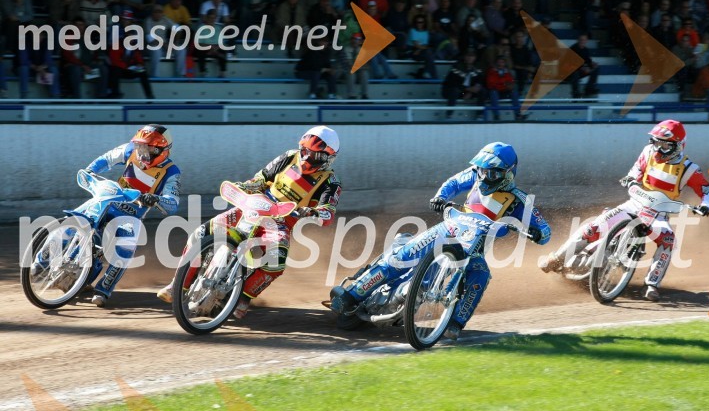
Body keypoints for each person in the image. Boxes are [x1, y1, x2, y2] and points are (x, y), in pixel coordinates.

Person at [330, 142, 551, 340]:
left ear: (508, 174)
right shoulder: (475, 175)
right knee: (402, 256)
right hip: (445, 231)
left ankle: (455, 323)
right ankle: (352, 294)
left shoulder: (520, 200)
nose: (484, 176)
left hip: (472, 250)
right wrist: (441, 197)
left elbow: (544, 230)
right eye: (482, 170)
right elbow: (454, 183)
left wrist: (538, 233)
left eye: (491, 173)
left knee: (481, 275)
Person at [157, 126, 342, 319]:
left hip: (281, 221)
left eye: (314, 155)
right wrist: (245, 186)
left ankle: (244, 298)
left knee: (276, 262)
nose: (306, 157)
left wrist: (311, 212)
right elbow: (261, 178)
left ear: (328, 157)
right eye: (304, 151)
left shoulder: (331, 182)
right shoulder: (289, 157)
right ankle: (178, 284)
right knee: (201, 233)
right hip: (254, 206)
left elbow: (328, 213)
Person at [539, 120, 709, 302]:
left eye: (664, 145)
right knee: (593, 227)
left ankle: (652, 284)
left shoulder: (689, 169)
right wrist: (630, 179)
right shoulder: (648, 153)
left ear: (678, 146)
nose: (657, 148)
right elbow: (636, 171)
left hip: (657, 215)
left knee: (668, 241)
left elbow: (708, 192)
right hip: (634, 204)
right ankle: (557, 258)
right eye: (655, 142)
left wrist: (705, 206)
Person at [85, 124, 181, 307]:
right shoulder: (130, 150)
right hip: (109, 201)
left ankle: (103, 290)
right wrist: (90, 171)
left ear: (162, 150)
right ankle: (47, 258)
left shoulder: (172, 172)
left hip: (132, 215)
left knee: (127, 246)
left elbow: (173, 203)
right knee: (81, 221)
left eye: (148, 148)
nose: (142, 152)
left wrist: (155, 199)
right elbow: (106, 159)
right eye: (140, 146)